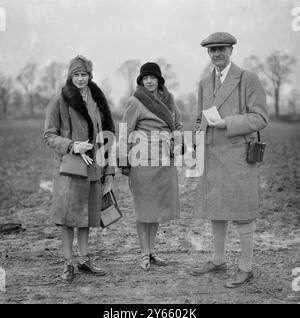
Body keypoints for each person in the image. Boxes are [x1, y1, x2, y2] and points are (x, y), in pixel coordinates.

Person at [191, 33, 269, 288]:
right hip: (211, 156)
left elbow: (260, 118)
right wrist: (196, 140)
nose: (217, 54)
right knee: (217, 209)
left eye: (221, 49)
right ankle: (218, 260)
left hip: (237, 157)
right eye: (212, 50)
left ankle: (246, 268)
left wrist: (228, 123)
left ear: (231, 50)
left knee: (243, 211)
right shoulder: (204, 82)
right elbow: (199, 118)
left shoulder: (248, 79)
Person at [44, 55, 115, 282]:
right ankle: (68, 263)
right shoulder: (59, 100)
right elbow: (49, 136)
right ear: (70, 76)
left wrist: (109, 169)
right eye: (76, 75)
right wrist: (73, 145)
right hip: (69, 170)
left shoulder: (97, 99)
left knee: (86, 217)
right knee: (68, 218)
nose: (81, 79)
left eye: (84, 74)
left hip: (94, 168)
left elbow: (106, 135)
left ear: (90, 76)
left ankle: (84, 259)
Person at [119, 62, 183, 270]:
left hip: (164, 160)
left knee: (155, 209)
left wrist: (178, 140)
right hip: (142, 161)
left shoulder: (169, 99)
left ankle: (152, 251)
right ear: (141, 81)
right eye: (145, 78)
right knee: (143, 209)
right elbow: (124, 132)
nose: (149, 81)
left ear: (159, 80)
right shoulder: (135, 101)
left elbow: (178, 124)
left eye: (152, 78)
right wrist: (123, 160)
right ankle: (144, 254)